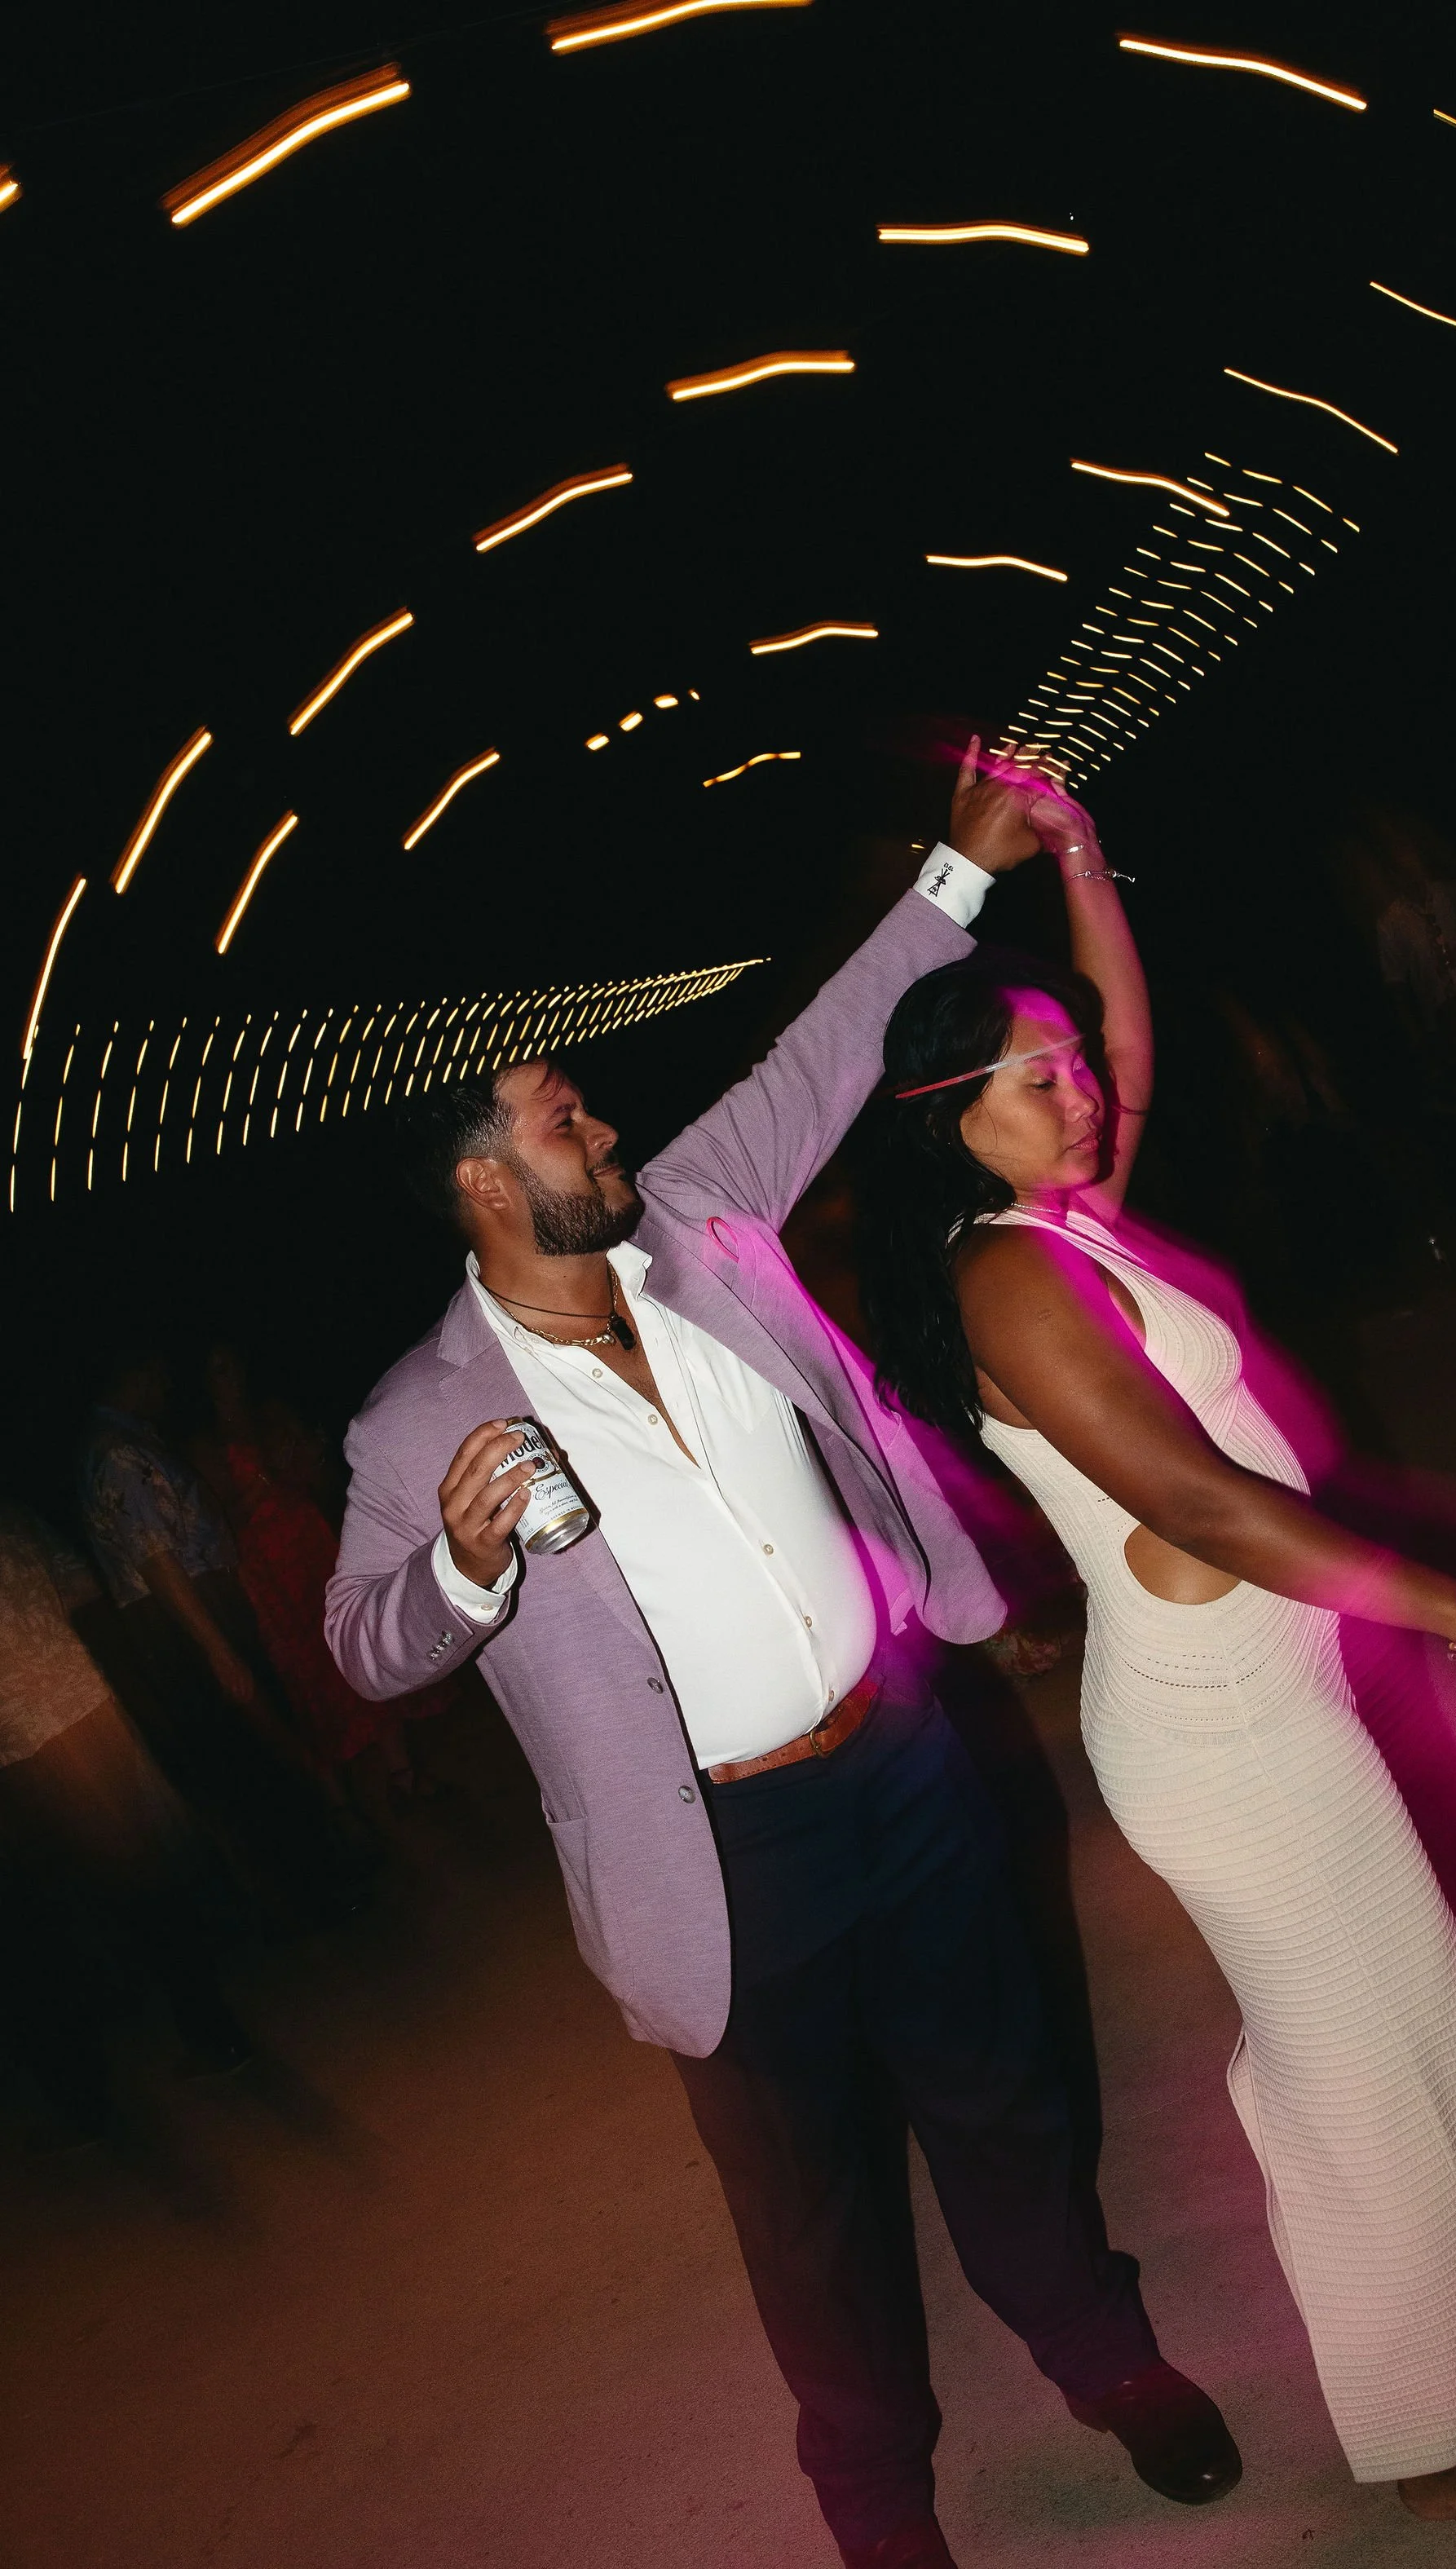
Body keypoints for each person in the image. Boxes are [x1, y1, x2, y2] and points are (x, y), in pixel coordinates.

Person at [325, 748, 1242, 2569]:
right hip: (722, 1858)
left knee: (1003, 2092)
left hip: (896, 1759)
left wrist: (959, 873)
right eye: (564, 1123)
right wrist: (461, 1562)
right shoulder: (409, 1417)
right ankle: (879, 2507)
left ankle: (1104, 2356)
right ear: (481, 1189)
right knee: (812, 2218)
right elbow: (366, 1646)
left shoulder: (699, 1223)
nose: (601, 1134)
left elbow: (825, 1049)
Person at [854, 774, 1456, 2525]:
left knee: (1419, 2025)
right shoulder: (1003, 1281)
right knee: (1353, 2083)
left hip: (1283, 1713)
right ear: (944, 1118)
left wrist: (1073, 859)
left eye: (1071, 1069)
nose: (1079, 1095)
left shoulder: (1066, 1219)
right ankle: (1428, 2445)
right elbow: (1207, 1507)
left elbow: (1128, 1036)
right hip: (1219, 1743)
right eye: (1034, 1078)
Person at [79, 1348, 365, 1928]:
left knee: (257, 1747)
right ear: (132, 1372)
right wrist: (217, 1646)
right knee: (249, 1753)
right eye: (155, 1369)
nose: (165, 1380)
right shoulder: (117, 1452)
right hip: (185, 1615)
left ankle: (316, 1883)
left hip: (201, 1604)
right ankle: (306, 1897)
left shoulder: (133, 1440)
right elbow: (157, 1560)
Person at [0, 1500, 248, 2135]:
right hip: (83, 1701)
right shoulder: (12, 1514)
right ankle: (210, 2028)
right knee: (142, 1870)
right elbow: (80, 1582)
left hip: (20, 1746)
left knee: (40, 1923)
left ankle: (86, 2095)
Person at [190, 1343, 447, 1806]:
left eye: (231, 1365)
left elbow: (316, 1469)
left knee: (352, 1640)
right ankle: (350, 1796)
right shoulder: (203, 1444)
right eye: (217, 1369)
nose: (228, 1378)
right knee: (308, 1666)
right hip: (264, 1567)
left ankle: (403, 1773)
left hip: (308, 1543)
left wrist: (287, 1473)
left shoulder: (269, 1412)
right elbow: (216, 1520)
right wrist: (264, 1487)